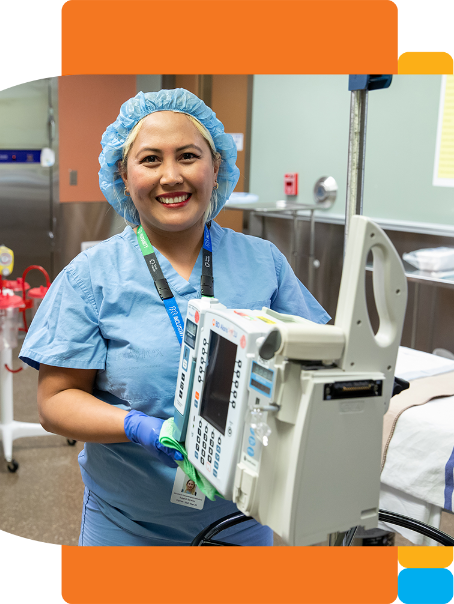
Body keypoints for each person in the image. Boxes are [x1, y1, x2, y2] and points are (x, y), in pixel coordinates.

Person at [19, 88, 331, 546]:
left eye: (188, 155)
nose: (171, 176)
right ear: (123, 176)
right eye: (150, 160)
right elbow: (56, 401)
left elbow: (317, 366)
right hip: (126, 526)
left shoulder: (263, 263)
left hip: (243, 521)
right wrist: (136, 426)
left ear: (216, 166)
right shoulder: (92, 277)